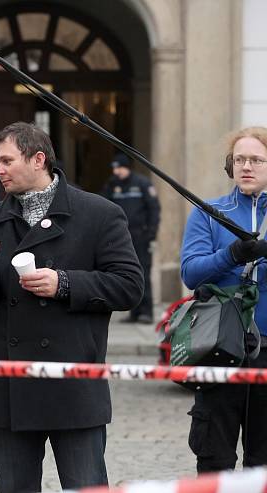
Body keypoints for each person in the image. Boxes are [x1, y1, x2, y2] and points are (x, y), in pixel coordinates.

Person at [0, 122, 143, 492]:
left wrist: (65, 284)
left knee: (85, 486)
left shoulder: (98, 213)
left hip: (73, 388)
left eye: (6, 160)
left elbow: (129, 286)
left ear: (38, 159)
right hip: (11, 388)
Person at [180, 126, 267, 473]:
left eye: (257, 160)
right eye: (239, 159)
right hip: (220, 349)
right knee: (214, 460)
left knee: (263, 463)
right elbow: (191, 272)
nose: (246, 166)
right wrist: (231, 254)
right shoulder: (209, 212)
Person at [101, 153, 161, 324]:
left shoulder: (142, 184)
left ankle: (146, 312)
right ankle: (134, 312)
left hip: (141, 237)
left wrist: (151, 233)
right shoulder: (113, 185)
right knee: (127, 273)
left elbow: (154, 209)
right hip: (121, 238)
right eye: (114, 169)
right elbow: (103, 205)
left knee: (143, 272)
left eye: (119, 168)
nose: (116, 172)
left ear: (127, 167)